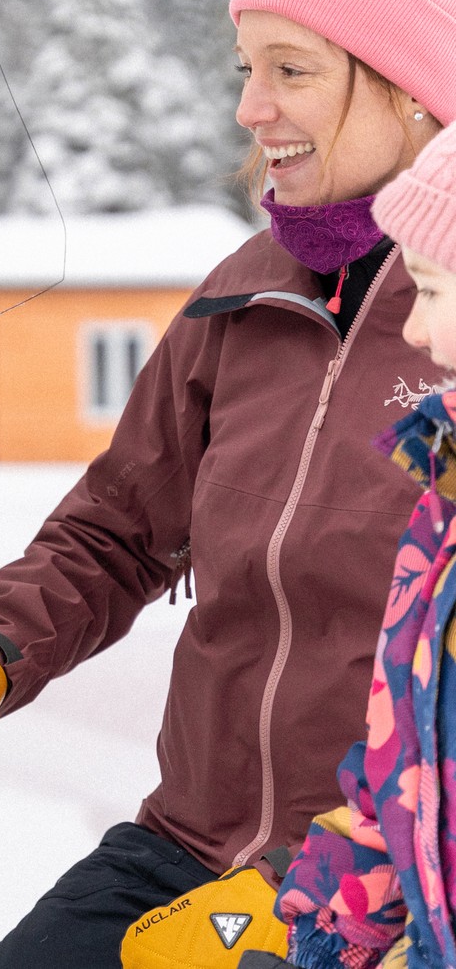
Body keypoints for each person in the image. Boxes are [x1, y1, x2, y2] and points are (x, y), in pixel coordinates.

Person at [0, 0, 456, 966]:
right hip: (189, 842)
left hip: (393, 888)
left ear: (414, 90)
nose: (246, 107)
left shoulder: (445, 327)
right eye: (242, 67)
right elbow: (122, 522)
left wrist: (307, 893)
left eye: (290, 70)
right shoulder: (242, 296)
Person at [256, 123, 456, 969]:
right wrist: (329, 929)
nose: (412, 332)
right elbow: (399, 756)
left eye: (437, 291)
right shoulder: (443, 495)